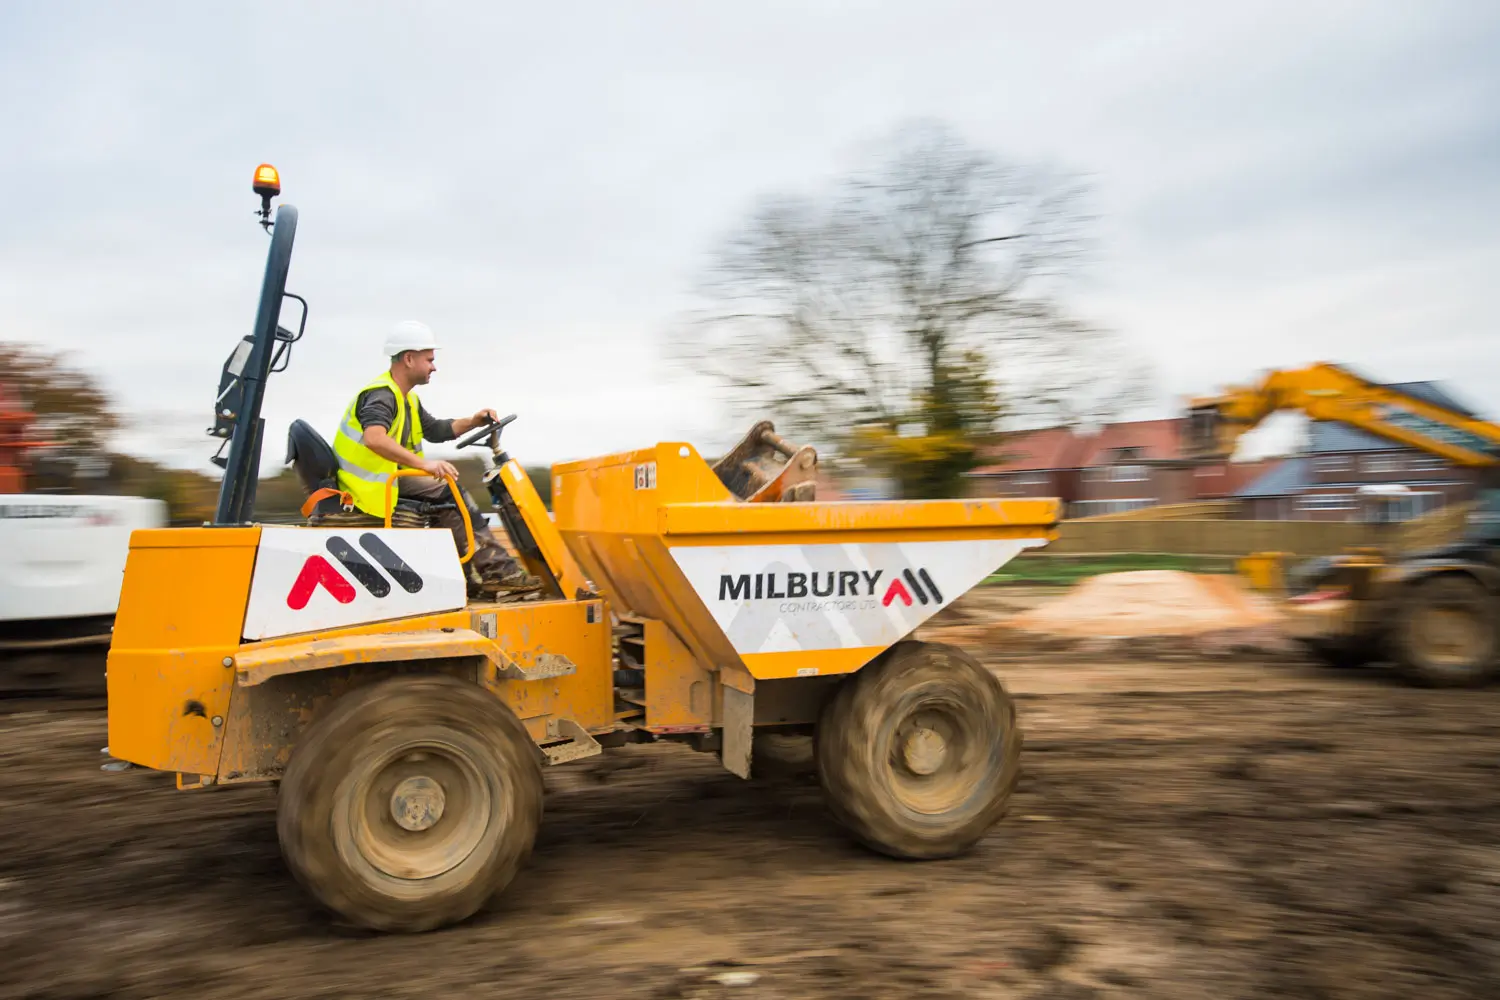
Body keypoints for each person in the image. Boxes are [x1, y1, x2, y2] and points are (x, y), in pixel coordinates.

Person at [332, 320, 540, 595]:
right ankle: (499, 572)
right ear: (408, 358)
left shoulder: (407, 399)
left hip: (385, 479)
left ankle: (463, 581)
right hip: (368, 485)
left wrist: (474, 421)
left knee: (445, 496)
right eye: (429, 359)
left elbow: (436, 430)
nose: (434, 366)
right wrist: (425, 465)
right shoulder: (382, 395)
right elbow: (374, 438)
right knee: (451, 491)